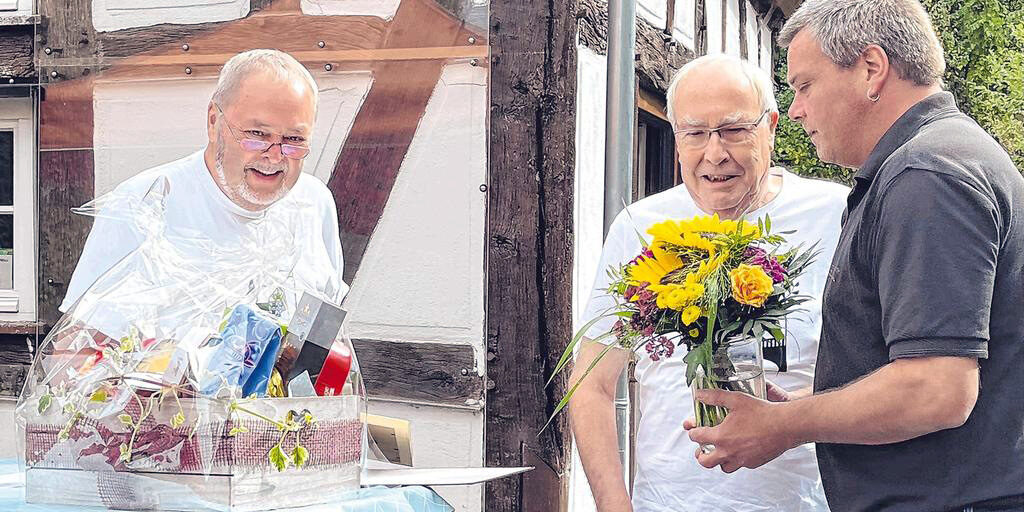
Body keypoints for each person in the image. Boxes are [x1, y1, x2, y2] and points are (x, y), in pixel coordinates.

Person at [685, 1, 1024, 511]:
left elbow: (937, 389)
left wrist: (783, 425)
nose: (796, 110)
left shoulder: (927, 176)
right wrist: (811, 409)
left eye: (804, 85)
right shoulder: (935, 160)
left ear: (871, 69)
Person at [572, 54, 849, 512]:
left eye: (734, 130)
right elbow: (591, 383)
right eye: (695, 133)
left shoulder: (836, 216)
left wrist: (792, 413)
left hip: (807, 502)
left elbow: (879, 374)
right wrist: (613, 504)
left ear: (772, 126)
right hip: (668, 504)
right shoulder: (641, 228)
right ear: (677, 136)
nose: (714, 153)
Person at [61, 49, 348, 314]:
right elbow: (75, 350)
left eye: (294, 139)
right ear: (214, 121)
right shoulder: (145, 204)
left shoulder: (314, 203)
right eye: (257, 134)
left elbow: (324, 328)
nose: (275, 156)